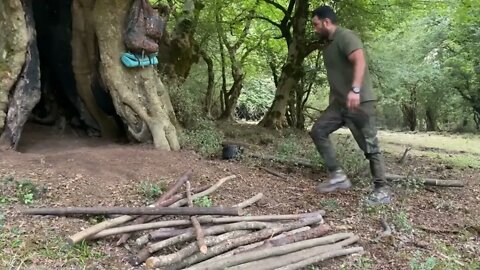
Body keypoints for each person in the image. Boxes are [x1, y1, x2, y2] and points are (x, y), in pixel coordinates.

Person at [309, 5, 391, 205]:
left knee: (369, 145)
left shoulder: (346, 37)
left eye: (316, 24)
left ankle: (382, 190)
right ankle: (337, 175)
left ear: (326, 22)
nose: (314, 29)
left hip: (359, 102)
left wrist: (355, 90)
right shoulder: (327, 45)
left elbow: (360, 61)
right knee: (318, 130)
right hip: (340, 105)